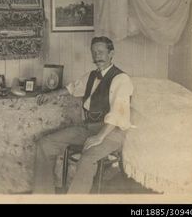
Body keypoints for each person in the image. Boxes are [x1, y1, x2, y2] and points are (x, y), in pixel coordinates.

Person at [33, 36, 133, 194]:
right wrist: (52, 95)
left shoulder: (121, 79)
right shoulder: (91, 75)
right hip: (88, 127)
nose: (97, 56)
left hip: (112, 132)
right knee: (45, 144)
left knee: (87, 157)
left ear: (111, 54)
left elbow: (117, 114)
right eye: (94, 52)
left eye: (101, 52)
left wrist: (99, 137)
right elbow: (72, 88)